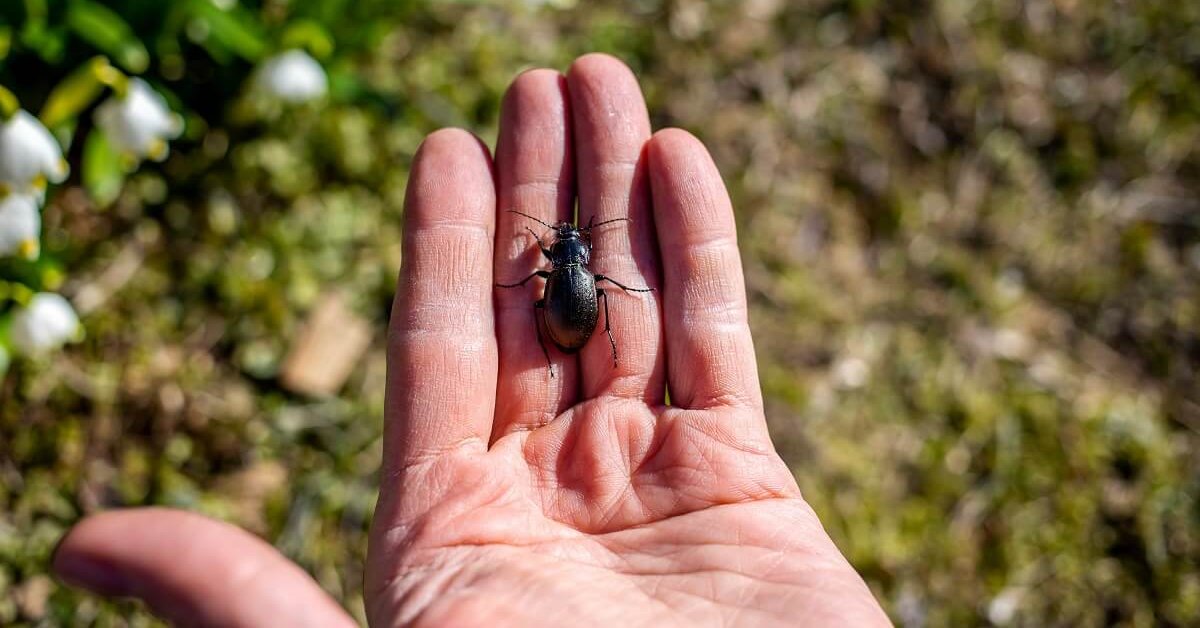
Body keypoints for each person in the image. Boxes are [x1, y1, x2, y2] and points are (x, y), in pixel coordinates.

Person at [52, 54, 891, 627]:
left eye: (563, 244)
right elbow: (579, 292)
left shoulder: (566, 265)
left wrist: (554, 297)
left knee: (549, 295)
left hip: (572, 314)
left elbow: (566, 291)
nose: (562, 244)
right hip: (579, 315)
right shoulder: (581, 264)